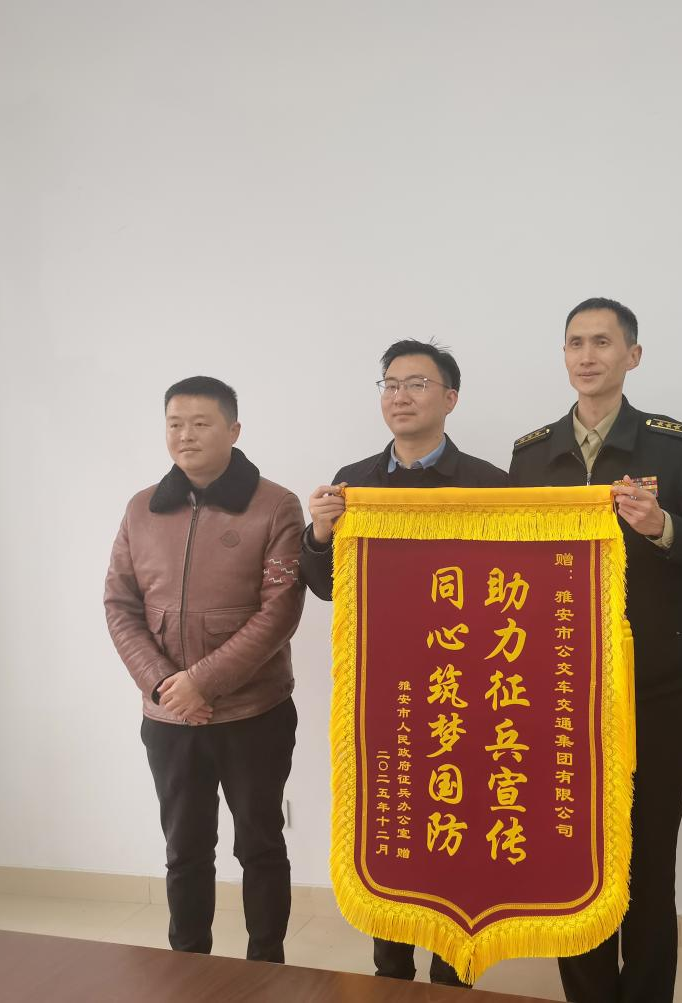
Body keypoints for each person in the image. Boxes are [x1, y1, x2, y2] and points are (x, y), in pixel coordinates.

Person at [509, 297, 682, 1003]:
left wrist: (661, 525)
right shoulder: (531, 452)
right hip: (557, 697)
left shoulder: (671, 444)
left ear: (632, 356)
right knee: (569, 861)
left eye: (602, 342)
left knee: (648, 864)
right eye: (575, 343)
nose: (587, 356)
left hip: (652, 691)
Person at [299, 339, 506, 987]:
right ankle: (390, 970)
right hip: (385, 693)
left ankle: (453, 970)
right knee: (389, 824)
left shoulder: (490, 484)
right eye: (390, 384)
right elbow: (325, 586)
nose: (400, 396)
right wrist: (320, 533)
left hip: (465, 692)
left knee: (457, 828)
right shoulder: (354, 481)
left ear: (450, 398)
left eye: (417, 384)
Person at [105, 376, 305, 963]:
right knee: (185, 849)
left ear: (234, 430)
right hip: (168, 718)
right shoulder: (142, 508)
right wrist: (166, 687)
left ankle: (267, 966)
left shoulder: (276, 505)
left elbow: (280, 612)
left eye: (200, 423)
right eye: (175, 424)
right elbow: (120, 604)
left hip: (255, 712)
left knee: (260, 846)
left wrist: (203, 683)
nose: (185, 435)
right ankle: (188, 965)